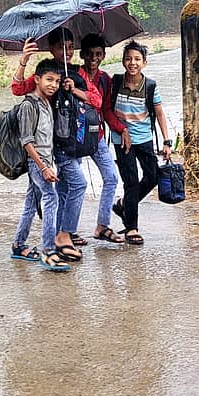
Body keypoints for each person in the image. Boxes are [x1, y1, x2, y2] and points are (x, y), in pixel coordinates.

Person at [12, 28, 101, 261]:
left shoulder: (77, 73)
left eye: (71, 46)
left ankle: (26, 242)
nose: (67, 51)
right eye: (61, 47)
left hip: (72, 142)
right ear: (51, 49)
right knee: (69, 188)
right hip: (50, 145)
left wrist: (75, 88)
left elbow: (96, 100)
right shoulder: (45, 73)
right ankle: (57, 241)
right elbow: (18, 89)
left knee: (48, 194)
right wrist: (24, 61)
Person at [107, 40, 172, 245]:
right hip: (121, 140)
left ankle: (124, 204)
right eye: (128, 59)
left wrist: (167, 141)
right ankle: (131, 227)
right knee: (131, 181)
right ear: (123, 61)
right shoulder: (115, 83)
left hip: (144, 139)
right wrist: (120, 129)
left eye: (137, 59)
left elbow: (160, 114)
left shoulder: (150, 86)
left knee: (153, 176)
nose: (132, 63)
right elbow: (106, 108)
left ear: (144, 62)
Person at [11, 59, 71, 272]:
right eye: (49, 80)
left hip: (45, 160)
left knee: (30, 203)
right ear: (37, 79)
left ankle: (18, 245)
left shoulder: (47, 102)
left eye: (57, 81)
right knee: (51, 198)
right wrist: (44, 167)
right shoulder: (29, 105)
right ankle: (48, 250)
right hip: (37, 162)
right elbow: (26, 141)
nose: (53, 85)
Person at [78, 33, 124, 244]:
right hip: (75, 138)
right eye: (89, 54)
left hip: (97, 136)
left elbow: (106, 109)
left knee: (111, 178)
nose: (93, 58)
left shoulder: (105, 80)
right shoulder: (73, 75)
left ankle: (102, 226)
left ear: (104, 55)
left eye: (98, 54)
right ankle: (66, 231)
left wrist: (121, 128)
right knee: (73, 183)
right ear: (82, 55)